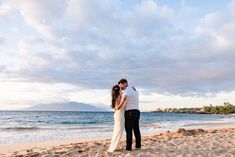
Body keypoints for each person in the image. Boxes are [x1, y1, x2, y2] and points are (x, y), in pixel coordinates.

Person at [118, 79, 141, 151]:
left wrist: (118, 107)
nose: (120, 87)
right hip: (137, 111)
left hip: (130, 112)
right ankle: (138, 146)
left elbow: (124, 100)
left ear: (124, 83)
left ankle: (128, 148)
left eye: (120, 85)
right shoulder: (133, 88)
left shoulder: (127, 91)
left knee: (129, 130)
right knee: (136, 129)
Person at [107, 85, 126, 152]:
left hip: (118, 114)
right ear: (118, 89)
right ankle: (114, 147)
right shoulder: (119, 96)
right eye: (120, 88)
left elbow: (115, 108)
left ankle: (115, 146)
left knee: (117, 130)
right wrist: (123, 100)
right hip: (119, 114)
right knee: (118, 130)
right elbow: (118, 107)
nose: (121, 89)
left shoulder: (116, 96)